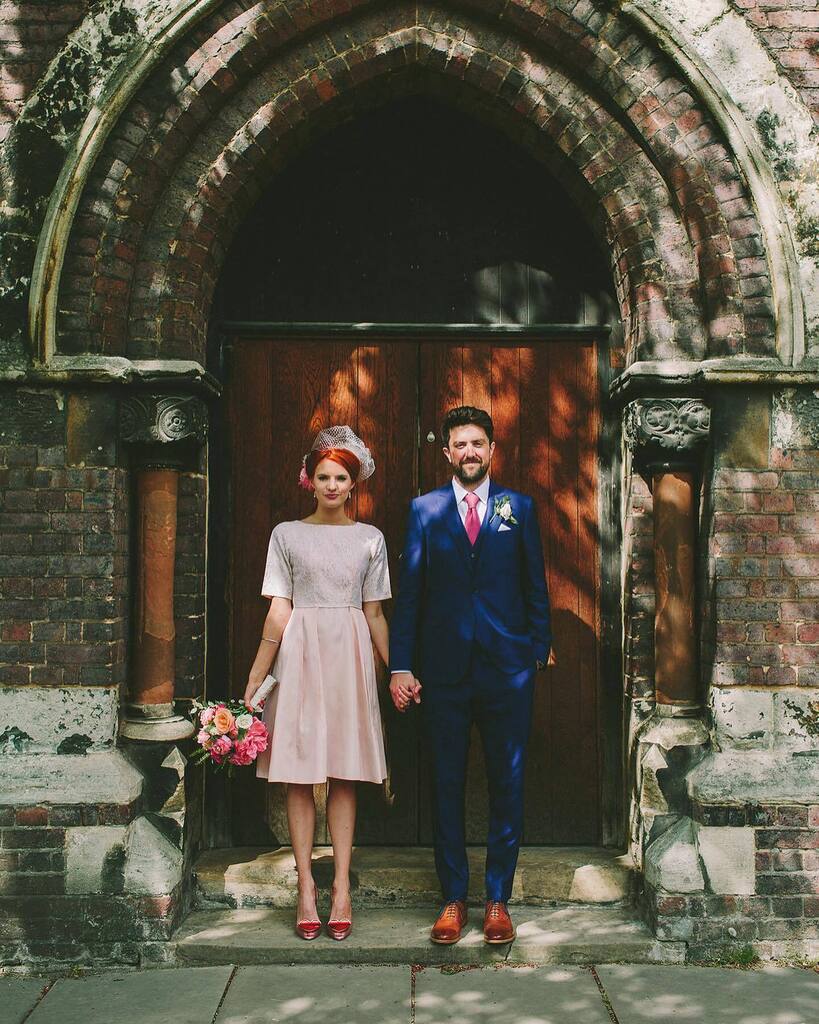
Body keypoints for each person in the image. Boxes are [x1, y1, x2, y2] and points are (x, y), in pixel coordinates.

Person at [388, 405, 551, 945]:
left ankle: (498, 900)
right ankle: (454, 899)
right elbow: (410, 594)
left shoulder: (518, 508)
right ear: (447, 453)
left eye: (479, 443)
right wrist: (402, 664)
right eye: (461, 445)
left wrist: (537, 646)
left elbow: (535, 584)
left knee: (508, 783)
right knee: (447, 784)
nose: (470, 452)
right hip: (445, 674)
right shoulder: (425, 510)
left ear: (492, 450)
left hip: (507, 672)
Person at [244, 426, 391, 942]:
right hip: (301, 651)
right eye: (324, 476)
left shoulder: (370, 539)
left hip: (349, 652)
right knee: (299, 773)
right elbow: (278, 608)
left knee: (345, 773)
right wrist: (256, 677)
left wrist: (396, 669)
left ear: (353, 484)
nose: (332, 485)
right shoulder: (286, 534)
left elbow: (374, 614)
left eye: (341, 478)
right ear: (310, 480)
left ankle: (342, 886)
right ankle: (306, 885)